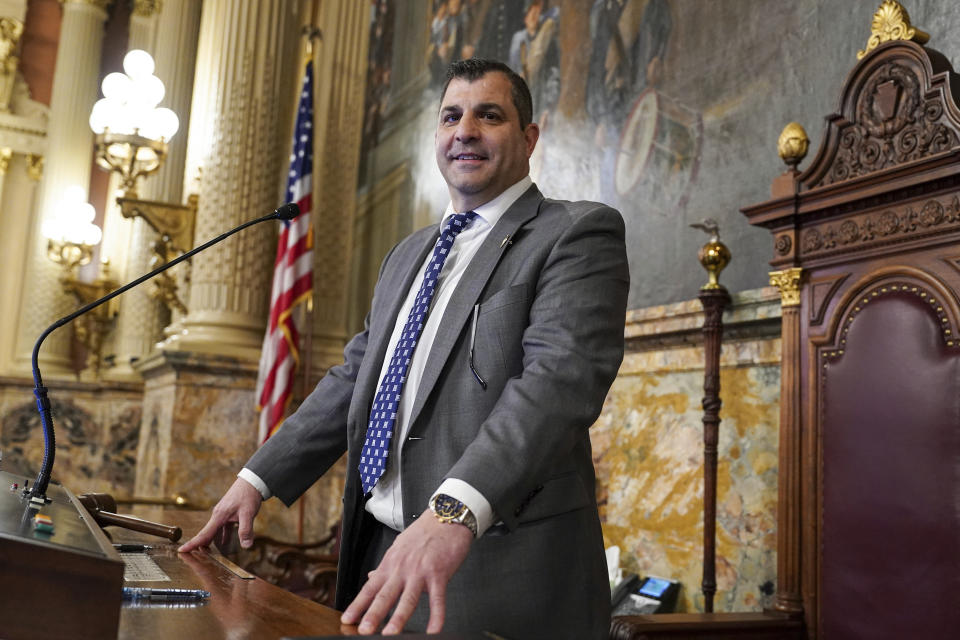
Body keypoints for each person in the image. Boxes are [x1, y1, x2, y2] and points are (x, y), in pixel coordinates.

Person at [179, 58, 630, 639]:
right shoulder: (407, 255)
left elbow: (557, 384)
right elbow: (355, 378)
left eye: (489, 115)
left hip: (494, 565)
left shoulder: (574, 233)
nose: (465, 130)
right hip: (380, 557)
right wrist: (256, 478)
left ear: (529, 138)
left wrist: (455, 509)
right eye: (451, 116)